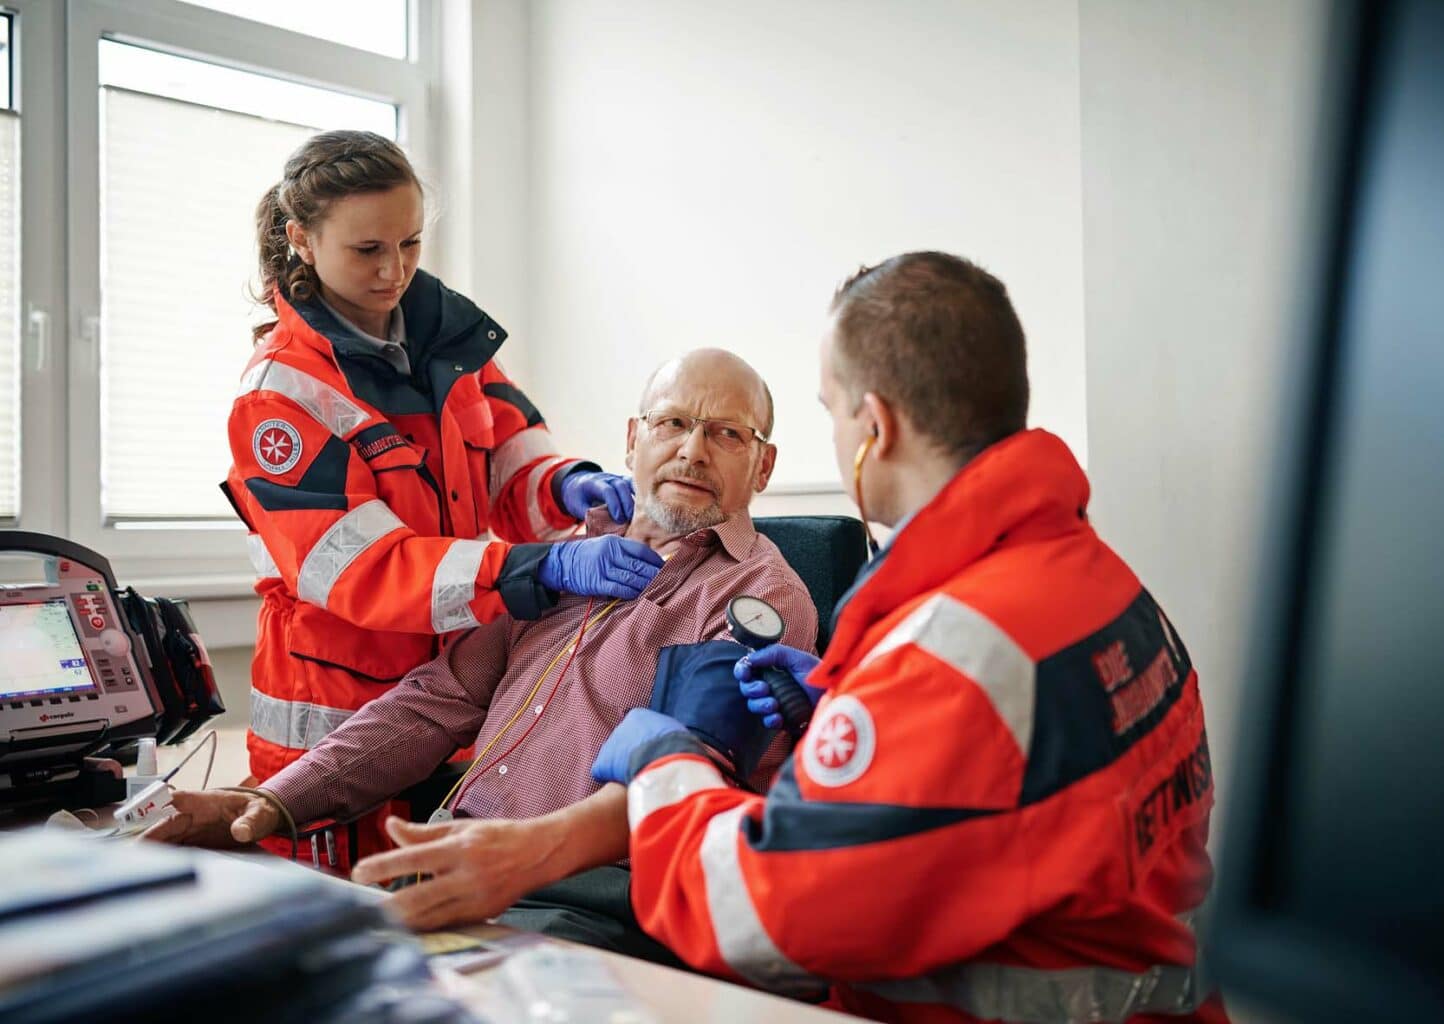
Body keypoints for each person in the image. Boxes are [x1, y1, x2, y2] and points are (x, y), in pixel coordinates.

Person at [594, 253, 1229, 1023]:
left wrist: (668, 761)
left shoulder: (951, 657)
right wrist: (844, 704)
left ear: (875, 426)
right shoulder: (1104, 583)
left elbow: (758, 917)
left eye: (831, 410)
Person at [154, 349, 817, 958]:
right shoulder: (567, 559)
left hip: (584, 901)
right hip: (451, 862)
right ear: (632, 437)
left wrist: (517, 862)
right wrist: (273, 803)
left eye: (727, 434)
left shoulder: (761, 595)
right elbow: (433, 704)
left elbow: (679, 781)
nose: (693, 451)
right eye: (672, 422)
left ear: (763, 464)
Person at [224, 130, 664, 868]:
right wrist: (535, 572)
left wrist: (567, 483)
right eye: (368, 250)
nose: (394, 269)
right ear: (301, 239)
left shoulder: (451, 344)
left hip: (449, 703)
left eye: (411, 243)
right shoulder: (281, 395)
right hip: (336, 715)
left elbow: (513, 463)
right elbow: (362, 567)